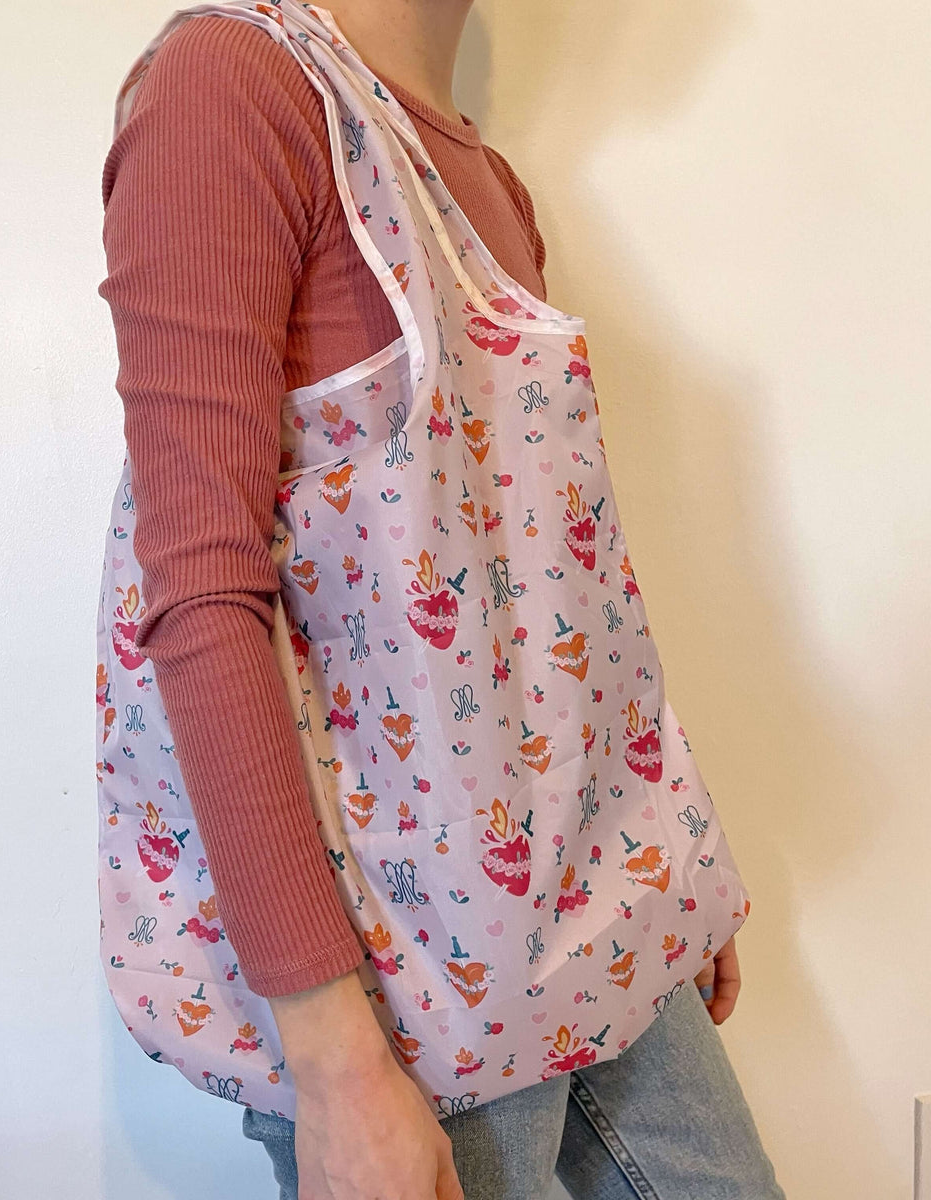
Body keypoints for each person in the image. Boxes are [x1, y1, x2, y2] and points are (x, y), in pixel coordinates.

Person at [97, 2, 785, 1196]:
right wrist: (332, 1069)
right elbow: (200, 597)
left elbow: (558, 581)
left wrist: (666, 852)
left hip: (597, 908)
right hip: (399, 985)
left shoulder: (483, 178)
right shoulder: (236, 85)